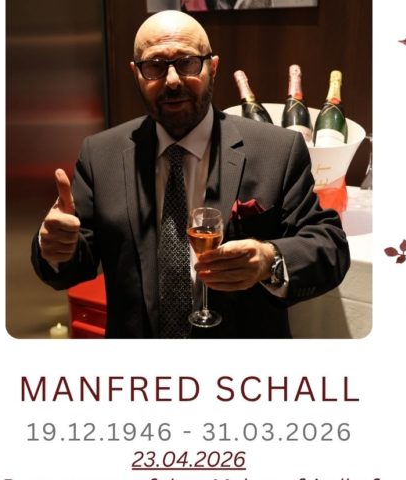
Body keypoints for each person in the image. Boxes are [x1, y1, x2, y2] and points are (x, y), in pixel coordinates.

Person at [31, 10, 349, 338]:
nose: (172, 80)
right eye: (155, 66)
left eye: (187, 63)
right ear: (136, 73)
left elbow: (330, 247)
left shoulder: (276, 150)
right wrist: (54, 248)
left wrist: (269, 260)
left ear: (213, 67)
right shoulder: (101, 155)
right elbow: (74, 261)